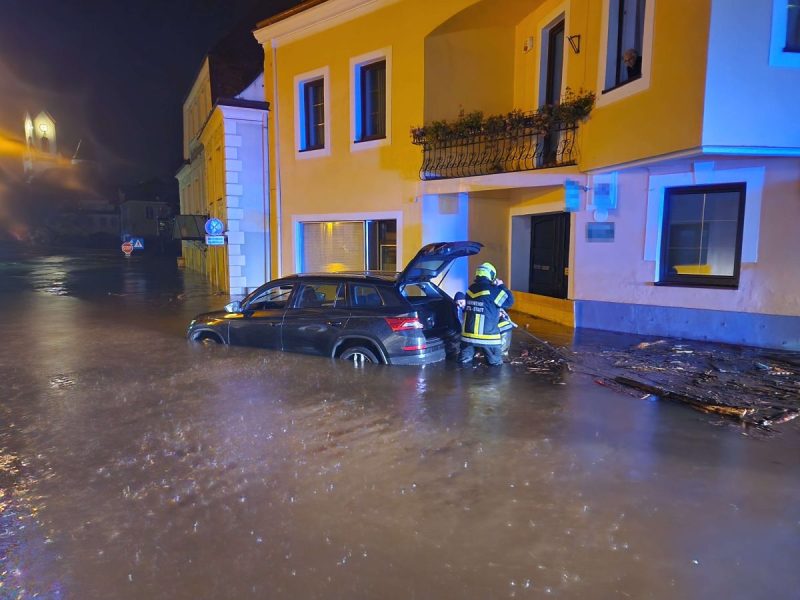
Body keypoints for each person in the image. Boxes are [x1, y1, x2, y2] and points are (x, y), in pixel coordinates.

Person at [459, 262, 514, 367]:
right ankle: (502, 354)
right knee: (496, 365)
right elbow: (509, 301)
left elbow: (482, 304)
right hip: (488, 338)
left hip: (468, 337)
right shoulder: (494, 290)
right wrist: (502, 286)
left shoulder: (470, 289)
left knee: (463, 364)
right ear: (491, 275)